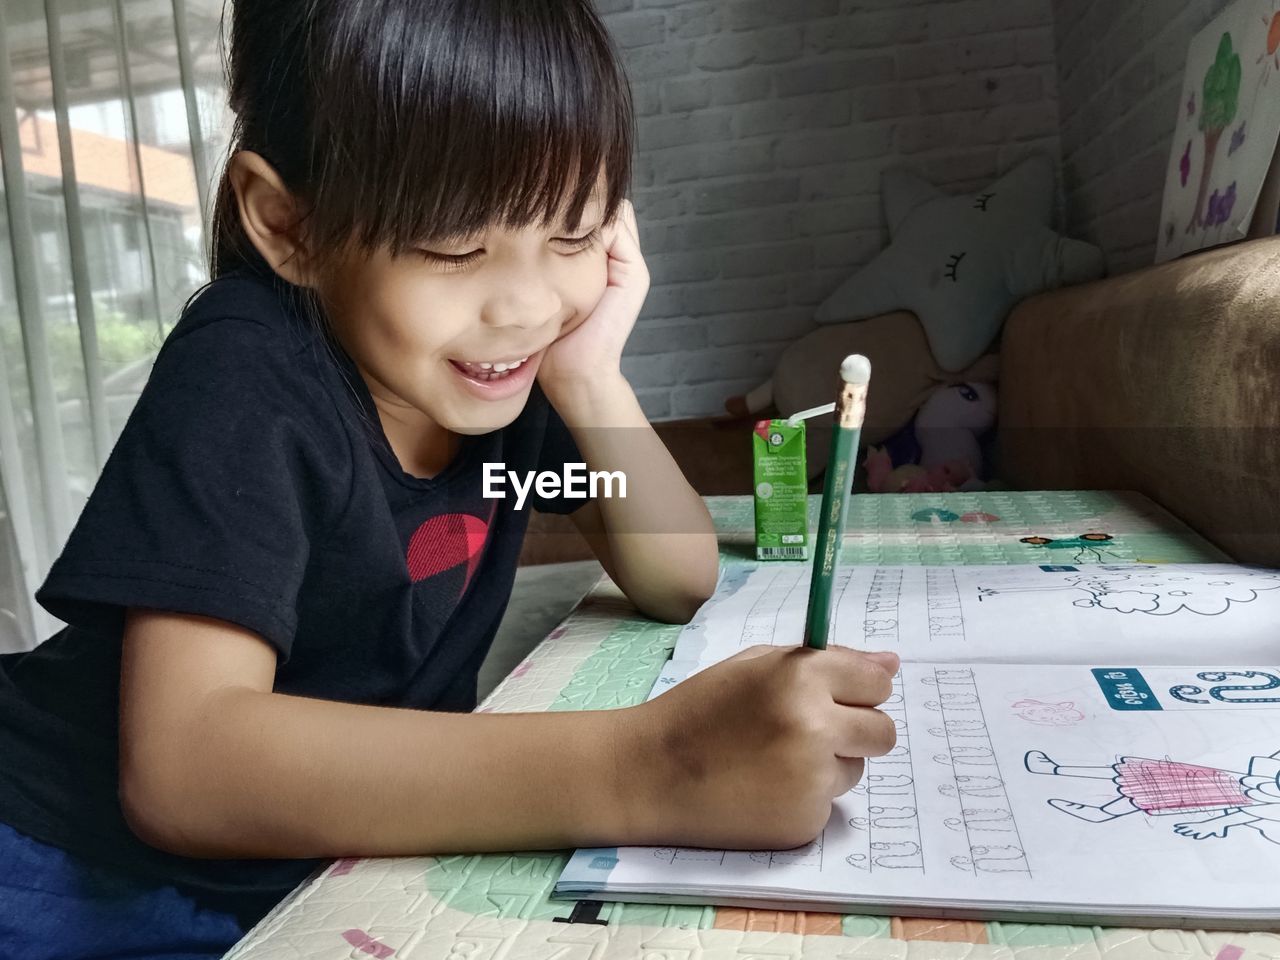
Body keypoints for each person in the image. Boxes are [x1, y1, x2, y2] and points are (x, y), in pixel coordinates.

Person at [0, 1, 900, 955]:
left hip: (306, 859)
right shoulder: (245, 371)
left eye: (573, 234)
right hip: (67, 861)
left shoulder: (513, 377)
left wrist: (589, 372)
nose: (523, 306)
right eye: (453, 247)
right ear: (289, 225)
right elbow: (187, 769)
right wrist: (657, 763)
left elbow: (678, 574)